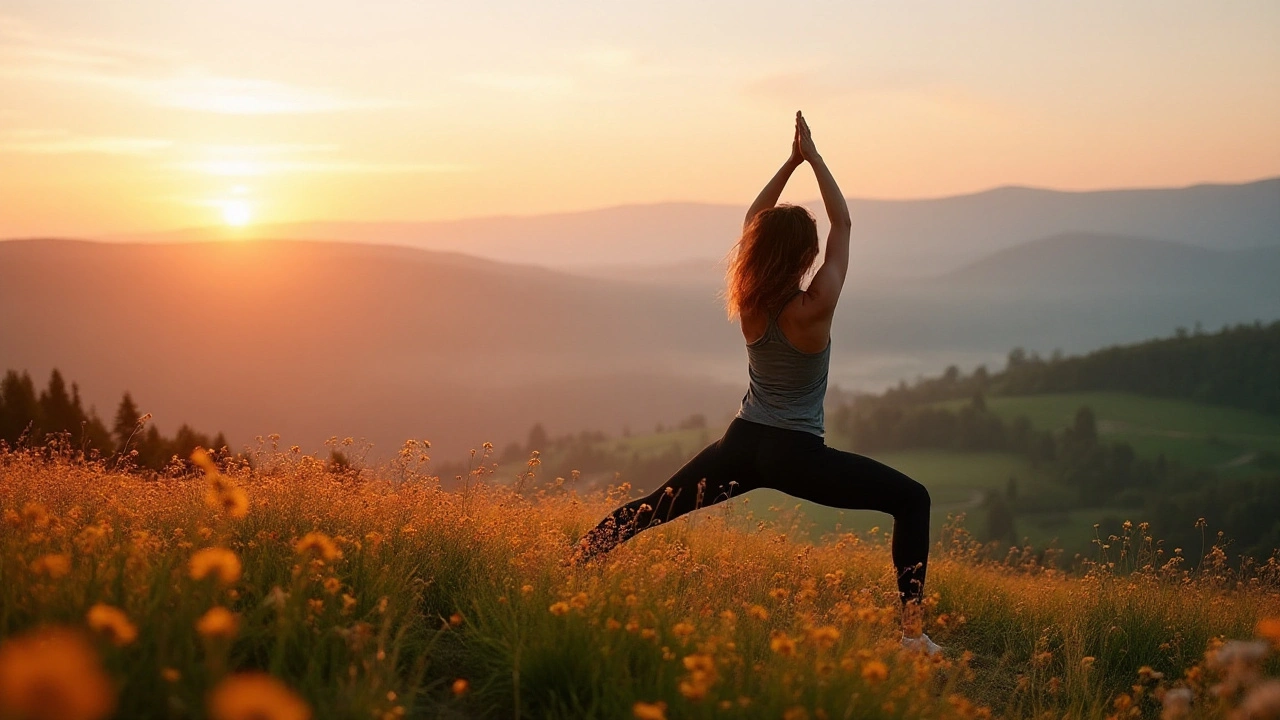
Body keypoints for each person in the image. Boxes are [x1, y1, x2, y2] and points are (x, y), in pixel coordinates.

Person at [575, 111, 941, 655]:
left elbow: (755, 219)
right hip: (795, 454)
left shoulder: (748, 301)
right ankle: (913, 636)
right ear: (803, 258)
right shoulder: (813, 308)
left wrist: (789, 163)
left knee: (653, 507)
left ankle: (569, 566)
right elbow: (843, 225)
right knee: (913, 500)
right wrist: (813, 159)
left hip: (742, 444)